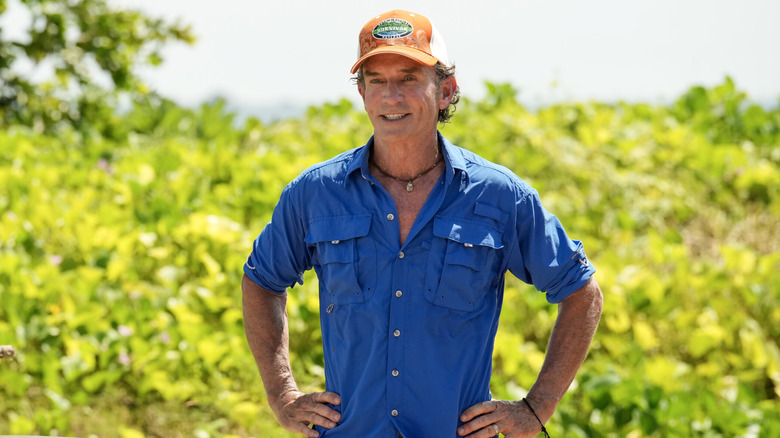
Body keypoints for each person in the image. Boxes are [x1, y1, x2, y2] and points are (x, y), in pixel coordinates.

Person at [242, 9, 603, 438]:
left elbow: (582, 293)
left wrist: (536, 407)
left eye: (409, 78)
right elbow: (262, 281)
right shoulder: (314, 193)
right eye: (376, 81)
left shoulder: (500, 196)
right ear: (362, 93)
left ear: (446, 90)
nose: (390, 96)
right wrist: (282, 394)